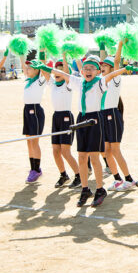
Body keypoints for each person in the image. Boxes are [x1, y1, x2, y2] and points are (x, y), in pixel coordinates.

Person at [41, 54, 132, 207]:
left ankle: (100, 189)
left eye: (92, 68)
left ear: (97, 71)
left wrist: (124, 68)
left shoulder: (100, 83)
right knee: (82, 157)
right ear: (82, 71)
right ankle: (85, 189)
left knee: (95, 158)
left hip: (95, 120)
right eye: (85, 68)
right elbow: (63, 73)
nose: (88, 70)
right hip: (81, 119)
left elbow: (111, 74)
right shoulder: (79, 82)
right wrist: (43, 67)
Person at [99, 40, 135, 191]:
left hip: (112, 115)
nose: (102, 68)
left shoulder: (115, 79)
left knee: (115, 150)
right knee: (105, 151)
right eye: (101, 66)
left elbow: (116, 61)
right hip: (101, 116)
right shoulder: (100, 81)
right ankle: (117, 179)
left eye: (105, 66)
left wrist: (119, 45)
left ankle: (129, 179)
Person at [48, 58, 81, 188]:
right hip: (55, 117)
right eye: (56, 70)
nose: (57, 73)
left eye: (61, 70)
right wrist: (42, 50)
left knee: (65, 151)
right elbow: (45, 72)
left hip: (66, 117)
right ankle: (63, 175)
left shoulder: (68, 84)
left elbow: (66, 72)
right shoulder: (52, 83)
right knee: (55, 150)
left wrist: (64, 54)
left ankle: (78, 175)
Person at [23, 51, 51, 183]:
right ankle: (32, 168)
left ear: (37, 70)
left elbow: (44, 68)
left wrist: (42, 52)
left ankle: (37, 169)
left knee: (34, 141)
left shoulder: (40, 81)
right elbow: (25, 66)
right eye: (27, 68)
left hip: (35, 110)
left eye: (30, 68)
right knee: (29, 141)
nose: (27, 70)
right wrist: (21, 53)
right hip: (27, 110)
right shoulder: (28, 80)